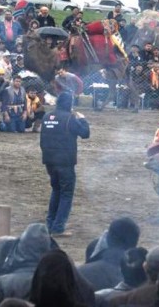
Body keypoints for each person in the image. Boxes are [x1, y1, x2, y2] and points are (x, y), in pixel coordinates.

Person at [40, 92, 90, 236]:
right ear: (70, 103)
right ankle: (58, 227)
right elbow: (85, 134)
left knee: (56, 190)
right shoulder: (70, 118)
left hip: (49, 160)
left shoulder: (46, 116)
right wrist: (83, 119)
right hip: (65, 162)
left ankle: (50, 224)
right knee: (66, 193)